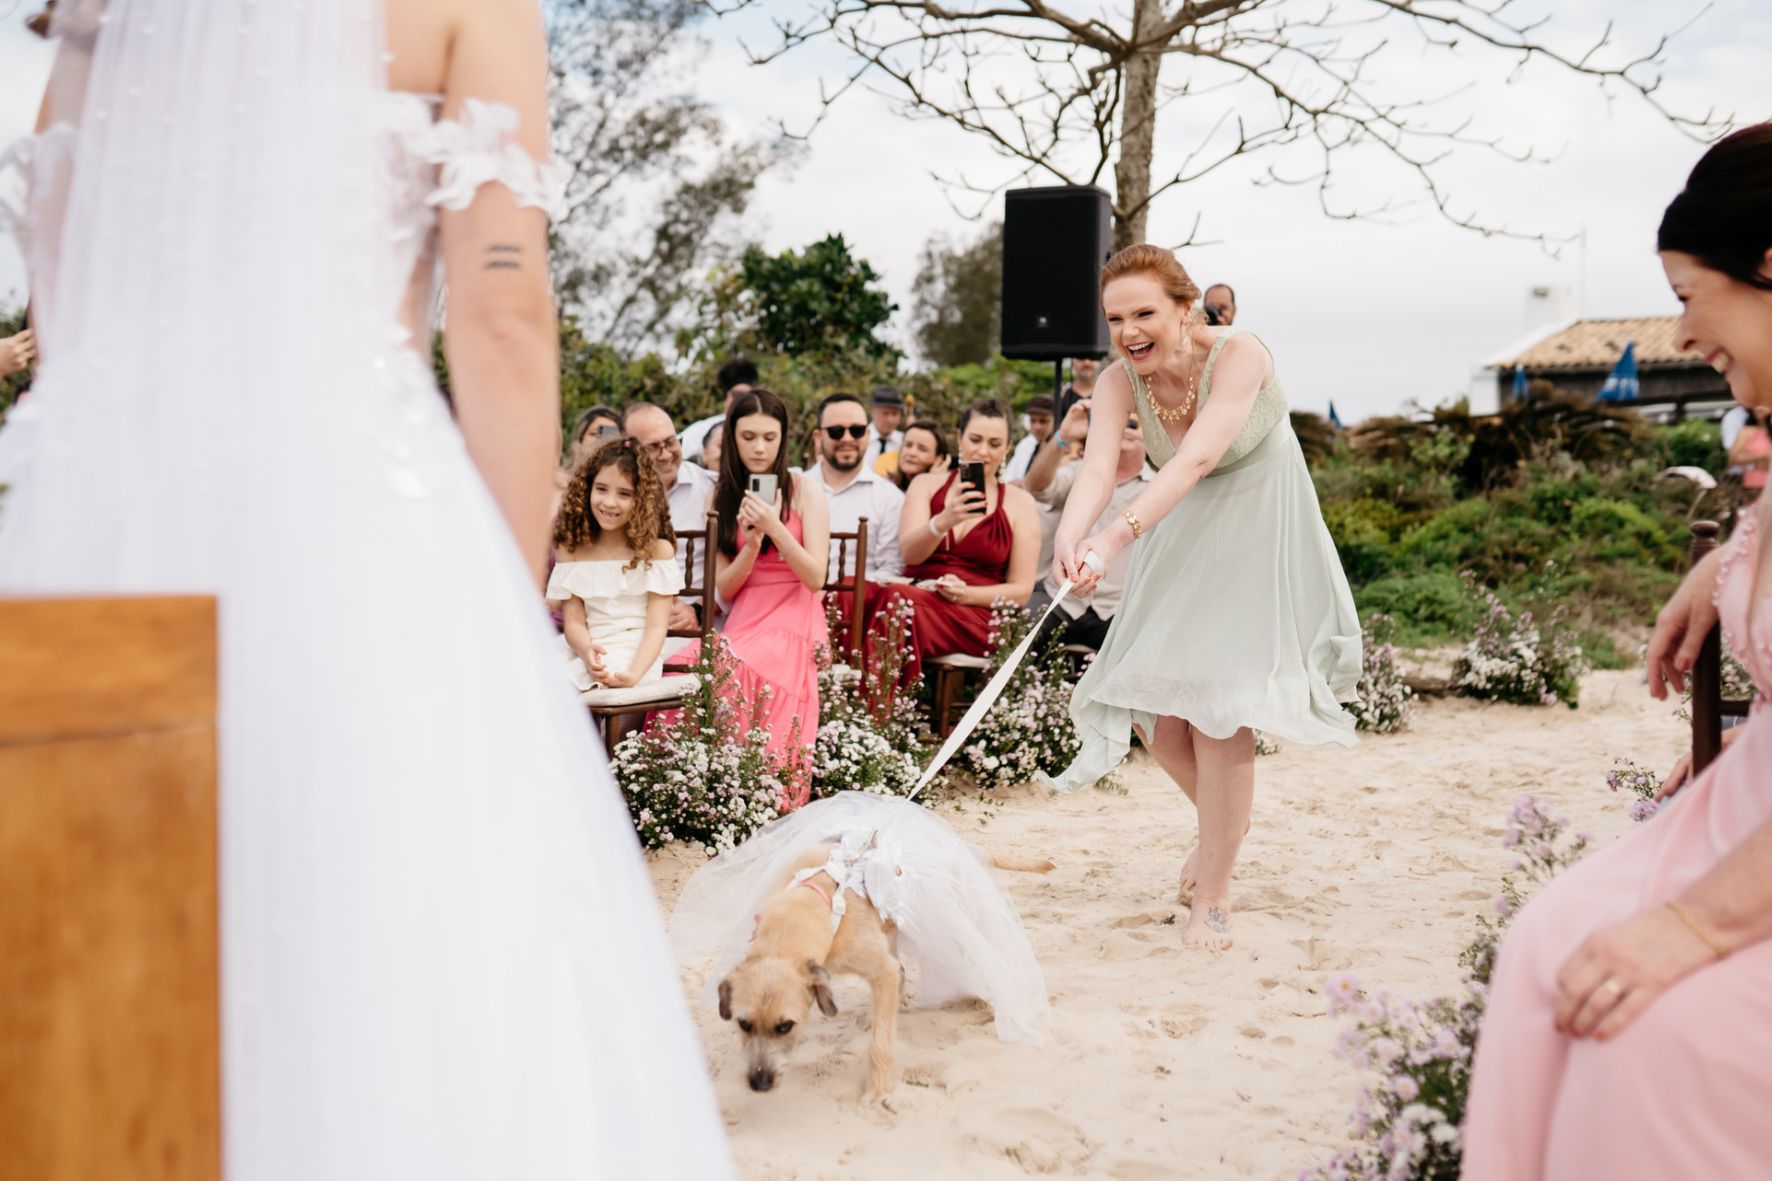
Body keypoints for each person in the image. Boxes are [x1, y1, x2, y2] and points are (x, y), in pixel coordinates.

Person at [0, 3, 733, 1176]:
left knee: (110, 981)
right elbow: (500, 318)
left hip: (96, 525)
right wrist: (503, 596)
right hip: (346, 521)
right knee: (372, 944)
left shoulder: (114, 15)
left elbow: (60, 296)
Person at [1462, 123, 1772, 1181]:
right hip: (1738, 806)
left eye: (1691, 292)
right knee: (1545, 944)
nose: (1682, 332)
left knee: (1647, 1037)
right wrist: (1726, 561)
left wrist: (1693, 921)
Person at [1048, 244, 1359, 953]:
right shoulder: (1117, 383)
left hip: (1256, 516)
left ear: (1185, 309)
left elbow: (1195, 458)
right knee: (1156, 711)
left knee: (1220, 709)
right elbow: (1097, 467)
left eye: (1145, 312)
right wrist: (1073, 536)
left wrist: (1116, 539)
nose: (1129, 330)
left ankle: (1212, 895)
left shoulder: (1242, 353)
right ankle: (1227, 829)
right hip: (1179, 518)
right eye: (1116, 317)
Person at [666, 389, 829, 801]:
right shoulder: (718, 496)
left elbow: (816, 578)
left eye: (769, 437)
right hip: (745, 617)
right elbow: (724, 588)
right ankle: (692, 790)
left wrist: (776, 528)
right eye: (748, 436)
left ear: (783, 437)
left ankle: (759, 790)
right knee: (681, 667)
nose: (759, 447)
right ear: (732, 437)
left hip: (794, 615)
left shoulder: (805, 491)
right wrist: (753, 544)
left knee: (747, 668)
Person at [862, 398, 1039, 688]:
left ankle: (880, 711)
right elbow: (911, 554)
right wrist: (942, 521)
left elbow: (1020, 591)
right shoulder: (926, 485)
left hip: (978, 613)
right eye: (975, 439)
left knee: (897, 601)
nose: (983, 451)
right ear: (959, 438)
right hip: (920, 592)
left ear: (1007, 448)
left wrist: (963, 594)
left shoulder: (1020, 503)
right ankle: (841, 709)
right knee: (849, 593)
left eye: (994, 444)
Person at [549, 438, 683, 691]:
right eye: (601, 489)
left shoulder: (657, 551)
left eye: (624, 494)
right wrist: (586, 649)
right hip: (584, 647)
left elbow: (656, 627)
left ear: (642, 500)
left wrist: (634, 673)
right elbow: (574, 621)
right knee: (533, 676)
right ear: (587, 489)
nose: (609, 502)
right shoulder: (572, 550)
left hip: (636, 651)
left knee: (569, 687)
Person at [1024, 411, 1150, 651]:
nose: (1124, 428)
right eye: (1119, 421)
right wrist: (1064, 435)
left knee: (1143, 649)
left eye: (1132, 423)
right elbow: (1036, 486)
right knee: (1014, 630)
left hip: (1118, 607)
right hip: (1060, 599)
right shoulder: (1080, 471)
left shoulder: (1157, 486)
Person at [624, 401, 717, 633]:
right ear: (629, 447)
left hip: (692, 621)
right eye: (653, 447)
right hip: (628, 620)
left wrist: (698, 609)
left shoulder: (711, 488)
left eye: (671, 442)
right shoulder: (614, 493)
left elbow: (732, 568)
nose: (666, 454)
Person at [811, 392, 904, 584]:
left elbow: (891, 568)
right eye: (836, 431)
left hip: (860, 605)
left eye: (857, 430)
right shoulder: (794, 486)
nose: (847, 438)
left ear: (868, 435)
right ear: (818, 437)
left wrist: (842, 589)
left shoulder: (889, 497)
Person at [679, 356, 756, 462]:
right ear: (726, 398)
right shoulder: (702, 429)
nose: (741, 401)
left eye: (747, 397)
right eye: (737, 395)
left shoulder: (760, 428)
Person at [1003, 394, 1055, 482]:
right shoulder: (1025, 445)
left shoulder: (1063, 447)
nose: (1037, 427)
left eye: (1043, 421)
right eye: (1033, 421)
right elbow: (1008, 476)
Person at [894, 418, 951, 491]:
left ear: (939, 459)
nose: (912, 453)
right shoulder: (884, 487)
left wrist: (932, 482)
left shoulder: (950, 493)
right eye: (908, 445)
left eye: (922, 449)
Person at [863, 384, 906, 472]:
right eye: (885, 413)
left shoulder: (904, 442)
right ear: (873, 412)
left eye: (895, 414)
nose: (890, 420)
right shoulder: (859, 438)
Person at [1052, 355, 1099, 426]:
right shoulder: (1062, 394)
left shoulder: (1107, 394)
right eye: (1081, 358)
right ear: (1073, 364)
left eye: (1091, 358)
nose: (1087, 363)